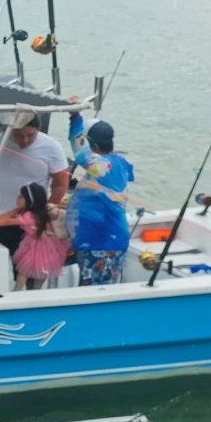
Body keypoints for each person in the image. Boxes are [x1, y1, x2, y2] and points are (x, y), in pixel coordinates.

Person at [0, 112, 69, 257]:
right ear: (9, 131)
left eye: (30, 135)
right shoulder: (3, 139)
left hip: (31, 220)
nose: (24, 140)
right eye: (18, 135)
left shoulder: (51, 147)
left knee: (22, 267)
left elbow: (61, 185)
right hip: (1, 211)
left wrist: (43, 216)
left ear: (38, 129)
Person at [66, 105, 134, 286]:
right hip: (94, 240)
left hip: (103, 244)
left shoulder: (106, 167)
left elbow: (80, 153)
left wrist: (75, 118)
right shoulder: (115, 164)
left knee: (95, 292)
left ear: (93, 146)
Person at [0, 182, 68, 290]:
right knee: (32, 274)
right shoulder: (26, 211)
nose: (17, 198)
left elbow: (7, 222)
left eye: (21, 197)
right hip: (36, 244)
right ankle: (30, 293)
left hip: (41, 248)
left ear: (29, 200)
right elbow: (5, 215)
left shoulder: (30, 216)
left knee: (24, 273)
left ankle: (18, 292)